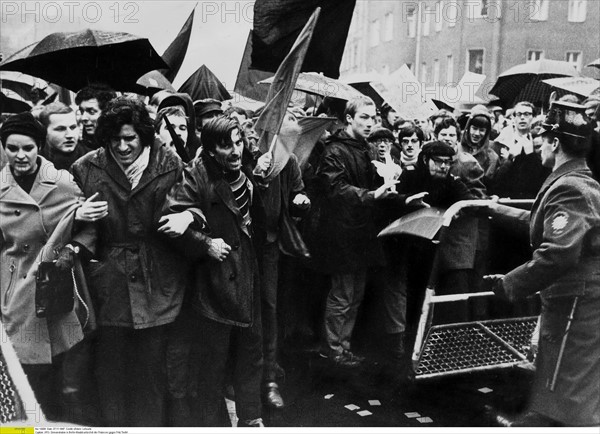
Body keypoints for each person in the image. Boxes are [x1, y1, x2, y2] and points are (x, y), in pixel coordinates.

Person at [71, 97, 188, 426]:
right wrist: (76, 215)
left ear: (144, 137)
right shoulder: (85, 167)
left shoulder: (170, 163)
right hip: (109, 284)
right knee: (110, 374)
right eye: (114, 140)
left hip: (158, 280)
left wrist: (188, 218)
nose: (122, 147)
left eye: (130, 139)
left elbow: (191, 204)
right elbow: (73, 226)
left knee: (152, 374)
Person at [485, 100, 600, 427]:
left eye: (543, 137)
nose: (538, 145)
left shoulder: (570, 187)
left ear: (554, 143)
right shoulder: (576, 180)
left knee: (564, 402)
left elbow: (558, 253)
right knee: (569, 400)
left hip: (575, 310)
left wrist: (509, 284)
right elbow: (546, 223)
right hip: (575, 306)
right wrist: (497, 210)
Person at [162, 117, 266, 427]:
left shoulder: (246, 171)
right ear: (209, 149)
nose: (235, 151)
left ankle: (252, 417)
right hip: (214, 282)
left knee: (251, 351)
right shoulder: (196, 176)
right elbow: (170, 218)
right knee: (212, 363)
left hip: (246, 273)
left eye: (238, 142)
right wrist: (204, 243)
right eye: (225, 145)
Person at [0, 112, 103, 420]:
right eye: (12, 148)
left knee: (62, 379)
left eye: (28, 148)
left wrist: (73, 244)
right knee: (23, 377)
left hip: (55, 290)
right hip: (12, 292)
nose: (21, 155)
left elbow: (90, 227)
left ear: (40, 147)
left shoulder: (62, 183)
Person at [313, 95, 398, 368]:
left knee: (355, 294)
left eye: (373, 118)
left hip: (361, 233)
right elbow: (336, 190)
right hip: (342, 234)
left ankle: (343, 346)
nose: (370, 123)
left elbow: (369, 185)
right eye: (364, 117)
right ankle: (333, 348)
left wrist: (389, 179)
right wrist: (373, 194)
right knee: (342, 295)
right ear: (349, 118)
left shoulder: (365, 149)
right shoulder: (335, 151)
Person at [38, 102, 91, 170]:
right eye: (60, 129)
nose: (70, 135)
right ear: (44, 131)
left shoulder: (93, 159)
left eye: (73, 127)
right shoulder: (35, 161)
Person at [458, 107, 499, 185]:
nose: (477, 133)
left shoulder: (492, 157)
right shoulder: (457, 149)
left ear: (487, 132)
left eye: (482, 130)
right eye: (474, 128)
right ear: (468, 128)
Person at [74, 84, 117, 151]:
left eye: (91, 111)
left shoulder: (120, 145)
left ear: (106, 113)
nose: (83, 118)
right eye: (81, 111)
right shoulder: (77, 150)